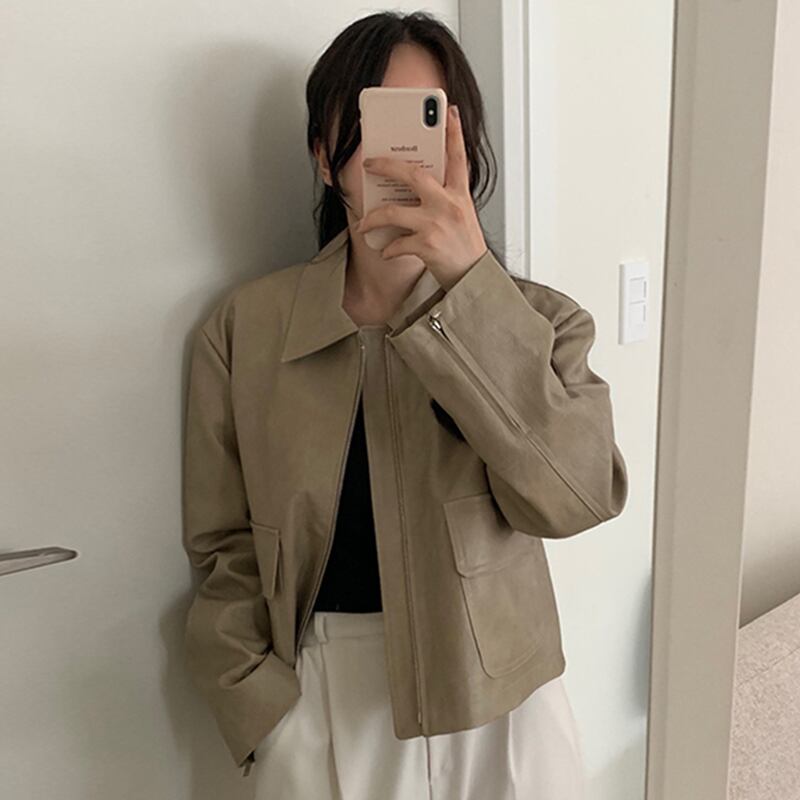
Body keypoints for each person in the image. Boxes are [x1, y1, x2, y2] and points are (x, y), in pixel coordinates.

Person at [182, 10, 628, 799]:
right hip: (320, 705)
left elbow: (577, 499)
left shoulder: (543, 322)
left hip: (503, 705)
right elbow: (222, 545)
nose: (397, 155)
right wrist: (261, 709)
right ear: (324, 154)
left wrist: (470, 289)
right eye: (371, 120)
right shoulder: (245, 330)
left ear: (462, 144)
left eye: (423, 120)